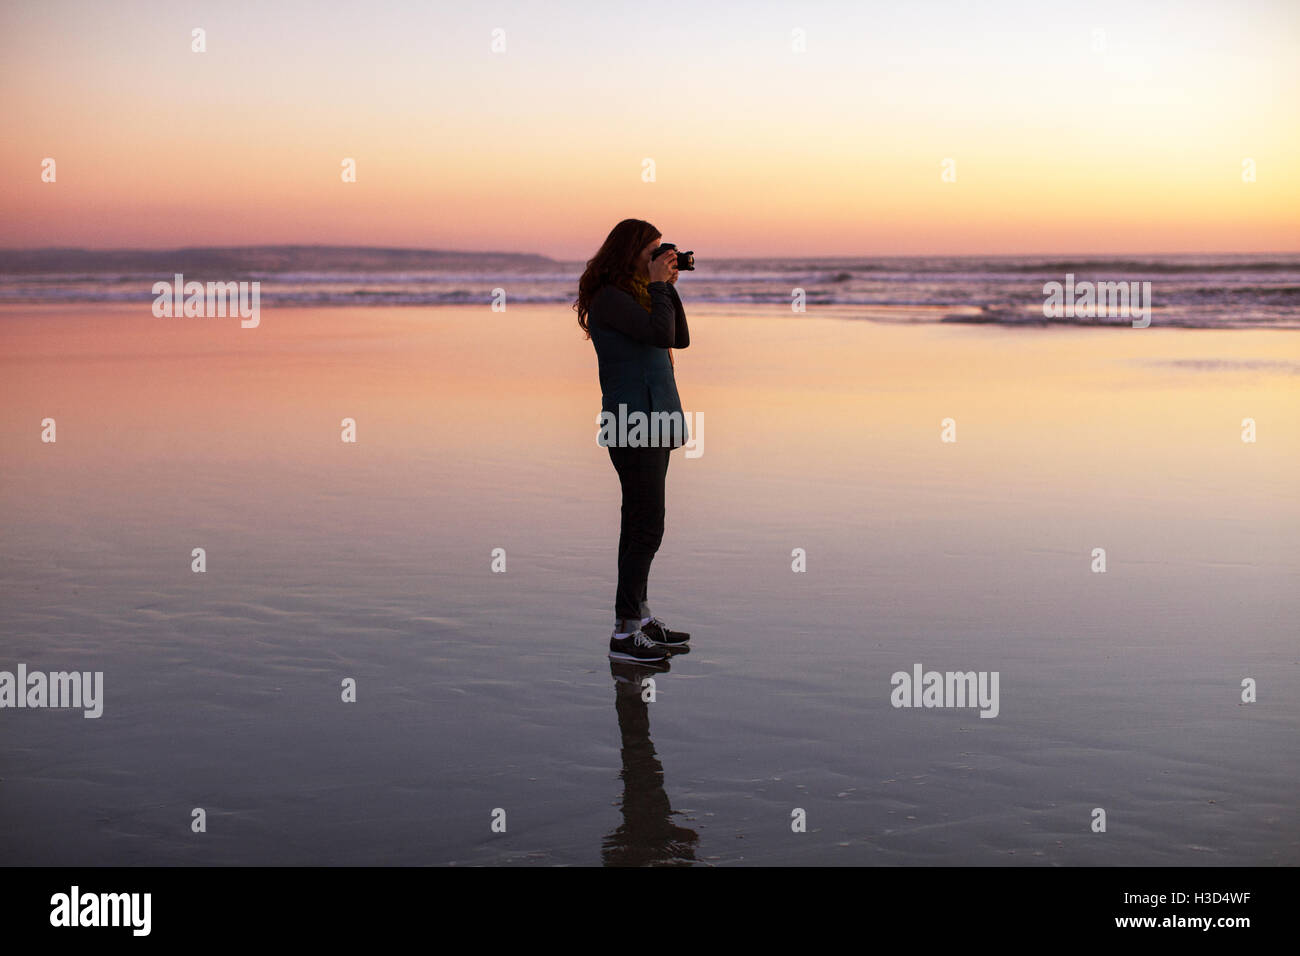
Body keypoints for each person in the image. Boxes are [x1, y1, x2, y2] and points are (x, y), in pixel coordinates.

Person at [574, 219, 693, 662]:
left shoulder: (639, 294)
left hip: (654, 418)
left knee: (641, 523)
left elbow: (678, 338)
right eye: (653, 251)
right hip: (632, 422)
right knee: (646, 526)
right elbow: (659, 334)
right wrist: (660, 286)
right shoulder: (610, 300)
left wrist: (667, 286)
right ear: (630, 253)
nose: (659, 258)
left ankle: (639, 620)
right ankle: (624, 633)